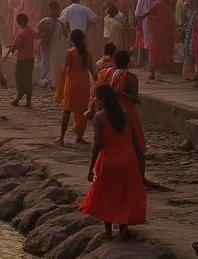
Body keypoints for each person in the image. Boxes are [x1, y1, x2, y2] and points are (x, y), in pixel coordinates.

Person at [80, 84, 148, 239]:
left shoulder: (100, 117)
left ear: (101, 100)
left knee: (107, 194)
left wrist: (91, 167)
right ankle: (124, 228)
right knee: (125, 193)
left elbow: (98, 144)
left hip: (109, 161)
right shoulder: (124, 113)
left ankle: (108, 230)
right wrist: (139, 161)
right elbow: (135, 139)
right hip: (128, 160)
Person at [58, 29, 95, 146]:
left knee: (67, 111)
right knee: (82, 111)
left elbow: (64, 69)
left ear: (72, 40)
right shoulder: (88, 53)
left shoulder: (70, 52)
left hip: (72, 85)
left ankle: (61, 137)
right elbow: (92, 71)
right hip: (84, 84)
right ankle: (79, 137)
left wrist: (60, 84)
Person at [108, 49, 146, 154]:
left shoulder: (128, 77)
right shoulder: (115, 74)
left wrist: (119, 93)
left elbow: (134, 99)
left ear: (115, 61)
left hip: (125, 111)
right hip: (121, 110)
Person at [143, 0, 175, 81]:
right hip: (158, 33)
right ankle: (153, 73)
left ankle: (157, 73)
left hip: (164, 33)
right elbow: (150, 14)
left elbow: (170, 17)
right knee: (155, 53)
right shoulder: (157, 4)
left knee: (161, 53)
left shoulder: (167, 4)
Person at [6, 12, 37, 107]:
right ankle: (28, 102)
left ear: (18, 22)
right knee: (28, 79)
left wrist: (12, 47)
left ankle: (18, 98)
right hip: (30, 58)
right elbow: (37, 36)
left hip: (22, 59)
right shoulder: (31, 30)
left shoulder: (21, 32)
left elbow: (18, 44)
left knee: (19, 79)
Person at [37, 0, 67, 89]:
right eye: (52, 10)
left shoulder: (60, 23)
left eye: (55, 10)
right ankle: (47, 81)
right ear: (49, 10)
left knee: (54, 64)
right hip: (46, 46)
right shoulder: (45, 21)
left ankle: (52, 81)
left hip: (56, 48)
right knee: (46, 63)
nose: (53, 12)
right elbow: (38, 33)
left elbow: (65, 35)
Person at [134, 0, 159, 68]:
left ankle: (149, 62)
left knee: (147, 42)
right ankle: (153, 61)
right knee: (154, 41)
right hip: (155, 22)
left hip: (145, 22)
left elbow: (137, 13)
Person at [181, 0, 198, 81]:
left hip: (195, 32)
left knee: (195, 53)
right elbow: (186, 19)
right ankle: (190, 73)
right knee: (188, 52)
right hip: (189, 33)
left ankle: (195, 73)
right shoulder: (190, 7)